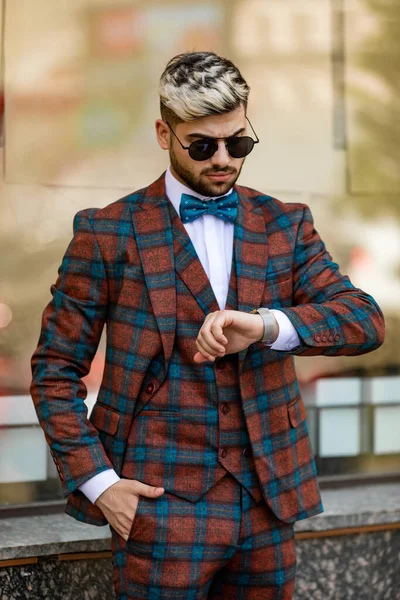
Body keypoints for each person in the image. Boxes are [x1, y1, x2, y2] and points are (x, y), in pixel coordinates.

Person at [30, 52, 385, 599]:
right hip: (158, 506)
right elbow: (55, 370)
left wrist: (268, 325)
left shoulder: (284, 224)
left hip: (269, 499)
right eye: (203, 146)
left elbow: (363, 321)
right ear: (163, 133)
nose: (223, 159)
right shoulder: (108, 233)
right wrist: (100, 485)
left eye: (237, 142)